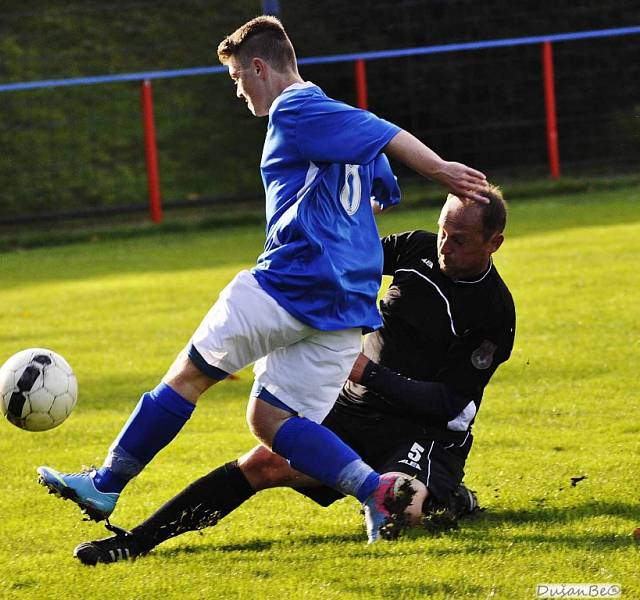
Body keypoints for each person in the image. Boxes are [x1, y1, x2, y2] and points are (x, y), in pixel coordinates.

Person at [36, 15, 490, 544]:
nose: (237, 91)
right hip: (346, 311)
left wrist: (441, 170)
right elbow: (379, 164)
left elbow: (382, 132)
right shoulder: (329, 114)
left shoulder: (294, 106)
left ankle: (105, 484)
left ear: (259, 66)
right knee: (271, 421)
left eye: (236, 78)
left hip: (291, 283)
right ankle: (375, 491)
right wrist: (381, 190)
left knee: (188, 377)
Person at [73, 187, 515, 565]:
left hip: (424, 431)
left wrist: (369, 371)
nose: (443, 246)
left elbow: (449, 403)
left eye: (459, 240)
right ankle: (134, 543)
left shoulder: (493, 311)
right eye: (442, 231)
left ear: (493, 243)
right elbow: (343, 259)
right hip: (354, 405)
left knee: (403, 506)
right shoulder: (417, 249)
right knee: (263, 463)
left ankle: (449, 497)